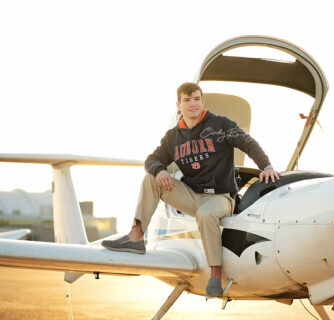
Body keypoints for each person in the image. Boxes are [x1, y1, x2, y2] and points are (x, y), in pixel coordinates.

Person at [102, 82, 279, 297]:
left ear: (202, 101)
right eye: (187, 100)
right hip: (192, 196)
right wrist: (159, 170)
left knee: (205, 214)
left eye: (196, 99)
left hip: (221, 197)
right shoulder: (173, 137)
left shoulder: (220, 125)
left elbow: (248, 142)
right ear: (179, 105)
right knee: (150, 179)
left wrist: (266, 166)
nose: (192, 104)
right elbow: (151, 159)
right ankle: (136, 237)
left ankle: (215, 275)